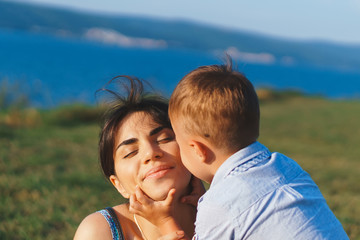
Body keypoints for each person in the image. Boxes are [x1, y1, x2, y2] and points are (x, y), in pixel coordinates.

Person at [129, 59, 350, 239]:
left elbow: (233, 206)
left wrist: (166, 222)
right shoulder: (287, 166)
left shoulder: (219, 206)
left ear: (198, 149)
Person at [73, 76, 199, 240]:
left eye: (164, 139)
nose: (150, 153)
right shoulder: (99, 231)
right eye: (130, 152)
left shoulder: (229, 212)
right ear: (118, 185)